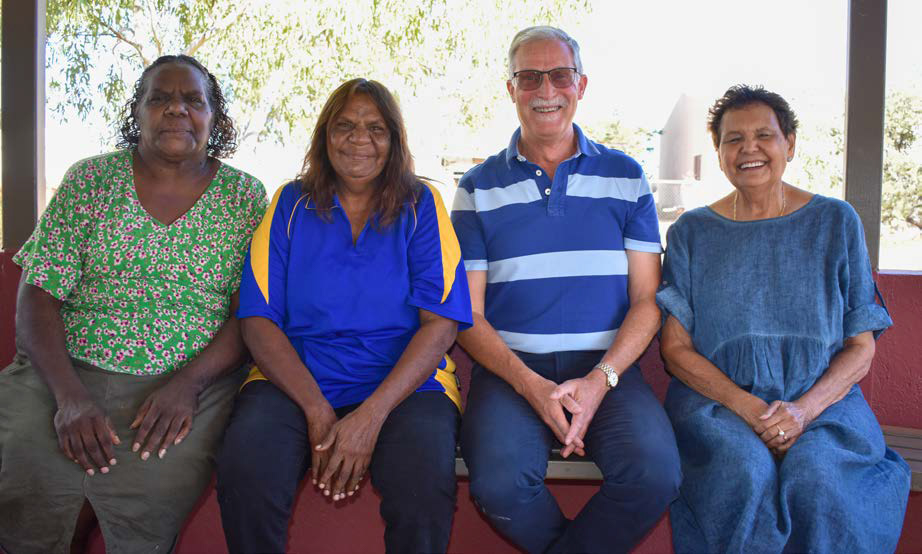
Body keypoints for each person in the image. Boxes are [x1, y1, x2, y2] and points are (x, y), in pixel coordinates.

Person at [0, 54, 268, 553]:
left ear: (214, 118)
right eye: (159, 98)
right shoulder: (88, 182)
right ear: (137, 112)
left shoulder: (245, 197)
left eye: (193, 100)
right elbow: (36, 296)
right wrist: (69, 397)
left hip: (187, 388)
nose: (176, 110)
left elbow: (249, 315)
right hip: (61, 374)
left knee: (147, 492)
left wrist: (187, 386)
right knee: (32, 479)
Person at [216, 78, 472, 554]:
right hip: (296, 381)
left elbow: (441, 324)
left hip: (405, 386)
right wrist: (317, 410)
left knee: (423, 484)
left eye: (376, 128)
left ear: (395, 141)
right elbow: (257, 321)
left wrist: (370, 415)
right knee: (246, 470)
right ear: (324, 135)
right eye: (345, 126)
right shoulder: (290, 204)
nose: (359, 139)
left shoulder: (422, 206)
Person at [450, 26, 681, 554]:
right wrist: (532, 387)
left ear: (581, 85)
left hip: (608, 367)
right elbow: (471, 316)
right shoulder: (477, 187)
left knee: (656, 474)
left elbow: (648, 302)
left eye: (559, 75)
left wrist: (600, 380)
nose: (545, 90)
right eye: (529, 77)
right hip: (512, 372)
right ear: (511, 89)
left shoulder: (627, 176)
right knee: (500, 484)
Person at [657, 84, 911, 553]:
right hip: (720, 407)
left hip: (823, 403)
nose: (748, 149)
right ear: (718, 152)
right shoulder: (692, 231)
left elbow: (861, 346)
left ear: (789, 143)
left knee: (820, 477)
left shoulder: (837, 221)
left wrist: (801, 411)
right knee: (742, 472)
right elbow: (675, 350)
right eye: (733, 139)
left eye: (763, 135)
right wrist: (752, 409)